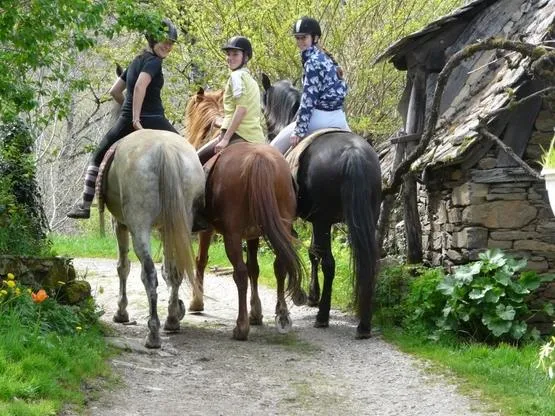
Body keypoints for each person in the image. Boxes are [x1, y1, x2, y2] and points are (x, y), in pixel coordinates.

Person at [67, 18, 179, 219]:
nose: (168, 47)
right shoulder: (154, 62)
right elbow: (139, 87)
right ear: (153, 39)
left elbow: (115, 91)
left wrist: (128, 110)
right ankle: (196, 207)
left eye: (171, 43)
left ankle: (84, 205)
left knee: (97, 155)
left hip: (124, 120)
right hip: (153, 119)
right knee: (187, 150)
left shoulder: (136, 60)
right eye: (165, 41)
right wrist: (137, 119)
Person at [270, 16, 349, 154]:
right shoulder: (326, 59)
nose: (300, 42)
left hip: (318, 119)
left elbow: (308, 98)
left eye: (304, 38)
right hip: (339, 119)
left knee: (271, 150)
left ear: (315, 38)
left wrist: (300, 130)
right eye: (297, 38)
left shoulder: (312, 62)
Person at [196, 36, 265, 165]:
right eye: (228, 54)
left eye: (235, 54)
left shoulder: (236, 77)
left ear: (245, 57)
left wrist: (225, 139)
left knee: (195, 160)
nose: (230, 58)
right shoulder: (252, 81)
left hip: (237, 135)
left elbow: (241, 109)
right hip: (257, 137)